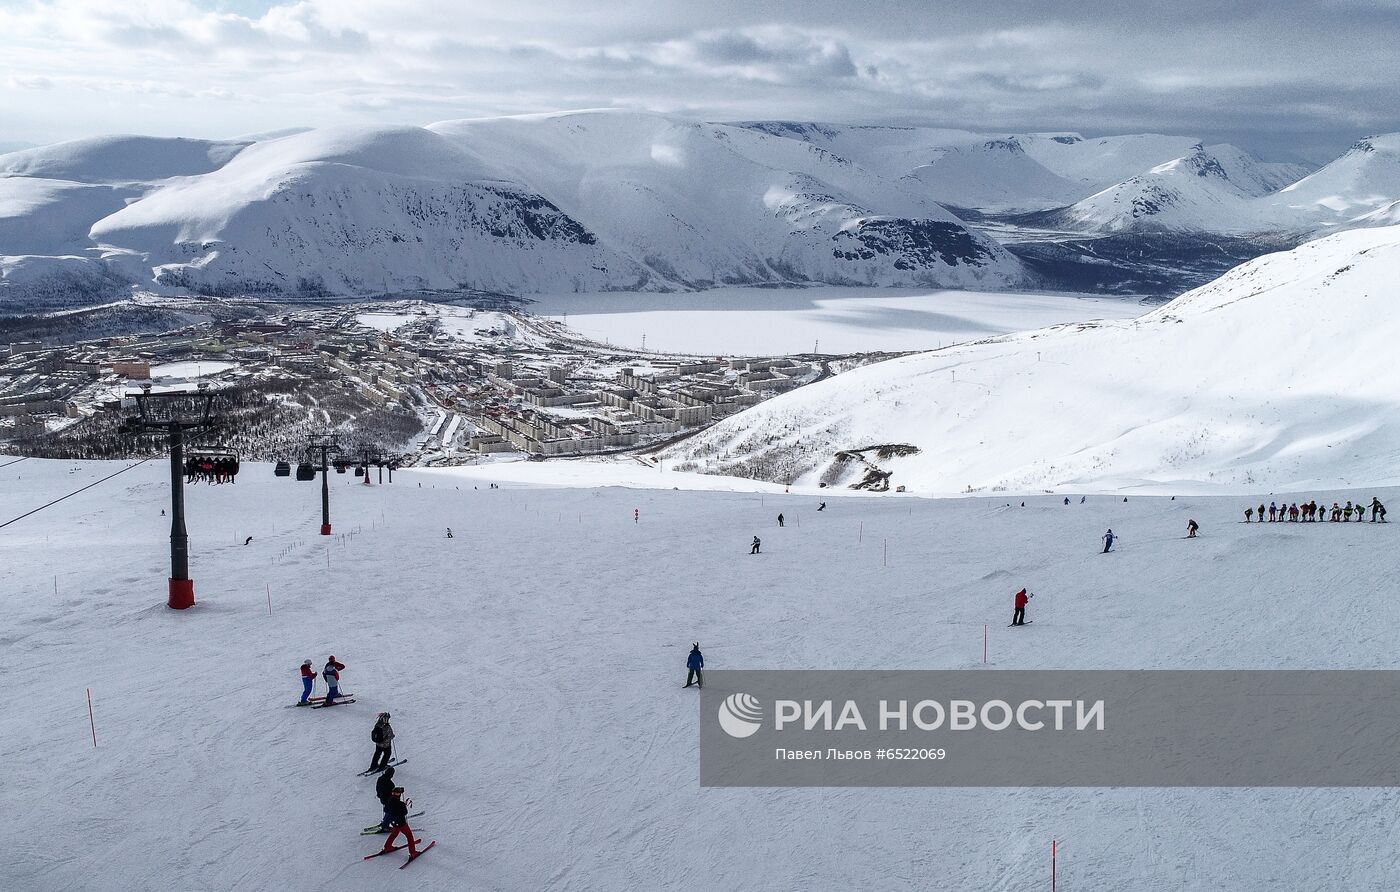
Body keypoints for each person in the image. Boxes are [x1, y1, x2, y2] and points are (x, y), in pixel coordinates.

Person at [379, 787, 421, 858]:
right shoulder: (400, 804)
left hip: (393, 822)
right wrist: (403, 805)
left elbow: (386, 810)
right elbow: (405, 812)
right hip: (401, 823)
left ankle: (387, 847)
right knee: (409, 836)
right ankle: (413, 852)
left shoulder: (389, 800)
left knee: (394, 834)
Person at [375, 765, 397, 831]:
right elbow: (392, 793)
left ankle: (384, 822)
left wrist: (379, 795)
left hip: (382, 798)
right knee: (390, 811)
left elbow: (377, 788)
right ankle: (385, 826)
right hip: (389, 800)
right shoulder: (390, 784)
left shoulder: (380, 779)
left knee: (387, 810)